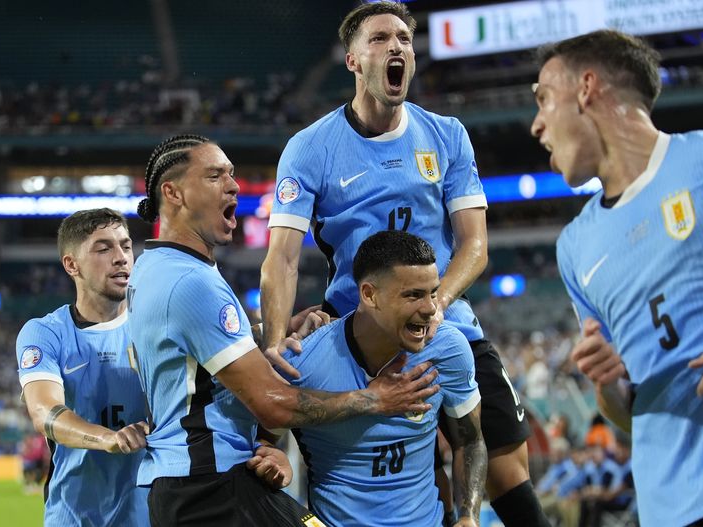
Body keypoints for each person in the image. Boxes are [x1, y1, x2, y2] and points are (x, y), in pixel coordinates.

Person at [260, 3, 547, 526]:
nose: (397, 47)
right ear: (352, 60)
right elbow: (281, 256)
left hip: (446, 319)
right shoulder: (310, 148)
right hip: (358, 329)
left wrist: (434, 305)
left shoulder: (447, 135)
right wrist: (278, 342)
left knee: (505, 464)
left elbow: (474, 246)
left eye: (405, 39)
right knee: (383, 470)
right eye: (380, 39)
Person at [128, 134, 440, 527]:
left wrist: (267, 330)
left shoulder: (152, 267)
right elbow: (273, 403)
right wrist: (372, 399)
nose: (233, 185)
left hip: (190, 485)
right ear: (173, 193)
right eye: (214, 176)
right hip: (211, 487)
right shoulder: (192, 283)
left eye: (232, 174)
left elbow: (193, 353)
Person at [530, 29, 703, 526]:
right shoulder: (575, 247)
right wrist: (610, 385)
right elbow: (626, 411)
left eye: (544, 99)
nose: (536, 125)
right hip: (670, 510)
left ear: (587, 89)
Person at [271, 230, 486, 526]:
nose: (430, 309)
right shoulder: (304, 362)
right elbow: (261, 441)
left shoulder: (448, 349)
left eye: (433, 292)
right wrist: (271, 454)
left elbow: (471, 442)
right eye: (413, 295)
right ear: (370, 295)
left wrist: (468, 516)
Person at [15, 208, 150, 526]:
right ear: (71, 264)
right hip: (72, 516)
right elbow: (44, 411)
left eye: (126, 246)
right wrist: (108, 439)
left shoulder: (156, 325)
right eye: (104, 248)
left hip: (149, 515)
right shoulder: (46, 332)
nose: (121, 257)